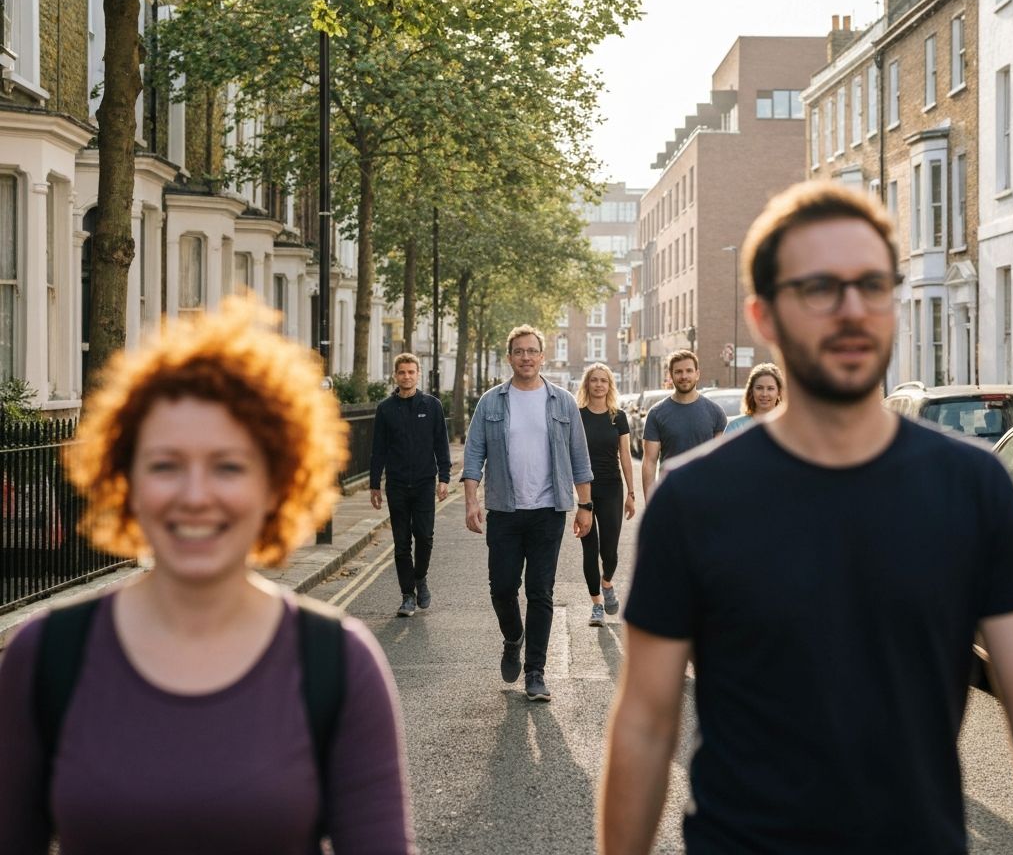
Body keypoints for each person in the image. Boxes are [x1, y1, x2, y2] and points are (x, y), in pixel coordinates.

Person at [599, 181, 1013, 855]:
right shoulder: (693, 499)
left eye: (873, 285)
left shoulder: (974, 488)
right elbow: (646, 724)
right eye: (821, 288)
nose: (852, 310)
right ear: (764, 316)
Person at [0, 297, 417, 855]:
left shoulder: (338, 664)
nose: (195, 497)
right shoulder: (46, 655)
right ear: (125, 480)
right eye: (166, 465)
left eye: (228, 466)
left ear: (277, 481)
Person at [462, 325, 594, 702]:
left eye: (532, 351)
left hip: (548, 512)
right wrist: (472, 501)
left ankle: (536, 672)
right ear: (510, 357)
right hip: (504, 509)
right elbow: (473, 455)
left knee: (540, 592)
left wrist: (585, 507)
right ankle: (512, 636)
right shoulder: (491, 402)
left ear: (542, 356)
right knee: (502, 588)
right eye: (518, 351)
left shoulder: (562, 401)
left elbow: (579, 458)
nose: (525, 357)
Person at [370, 352, 451, 617]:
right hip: (396, 484)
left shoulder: (432, 405)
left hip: (425, 483)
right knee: (401, 542)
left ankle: (420, 578)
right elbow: (378, 449)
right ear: (395, 375)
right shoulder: (385, 409)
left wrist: (444, 477)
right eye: (402, 372)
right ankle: (407, 595)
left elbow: (441, 443)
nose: (406, 376)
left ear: (418, 374)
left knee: (425, 537)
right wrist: (374, 485)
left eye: (411, 372)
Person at [576, 362, 636, 628]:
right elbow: (572, 455)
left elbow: (625, 455)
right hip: (587, 490)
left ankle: (607, 582)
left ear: (610, 385)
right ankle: (597, 604)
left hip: (612, 487)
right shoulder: (578, 416)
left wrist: (631, 493)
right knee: (589, 549)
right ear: (587, 384)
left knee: (609, 550)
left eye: (604, 380)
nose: (599, 384)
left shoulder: (617, 416)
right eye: (594, 380)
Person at [640, 349, 726, 500]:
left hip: (705, 496)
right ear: (670, 375)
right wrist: (650, 502)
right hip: (670, 495)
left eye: (689, 371)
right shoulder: (656, 413)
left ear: (697, 374)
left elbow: (719, 461)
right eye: (678, 371)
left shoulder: (715, 412)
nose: (684, 376)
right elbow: (649, 461)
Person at [723, 361, 784, 434]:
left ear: (779, 392)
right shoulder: (736, 427)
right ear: (751, 391)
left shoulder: (791, 426)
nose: (764, 394)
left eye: (770, 388)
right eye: (759, 388)